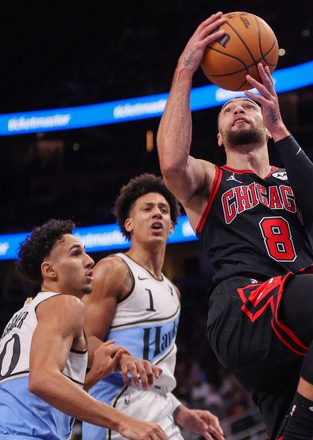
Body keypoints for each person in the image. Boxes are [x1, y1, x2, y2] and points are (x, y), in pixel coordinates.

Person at [156, 12, 313, 440]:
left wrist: (280, 126)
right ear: (219, 137)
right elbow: (171, 163)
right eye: (228, 109)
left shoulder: (296, 175)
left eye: (248, 105)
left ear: (266, 121)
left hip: (292, 322)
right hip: (244, 305)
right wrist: (185, 69)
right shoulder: (210, 178)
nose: (239, 108)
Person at [0, 219, 167, 440]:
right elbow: (42, 380)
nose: (90, 261)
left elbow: (42, 399)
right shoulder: (64, 303)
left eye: (85, 253)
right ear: (49, 270)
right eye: (76, 254)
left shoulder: (24, 313)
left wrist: (94, 375)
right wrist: (125, 422)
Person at [82, 174, 224, 440]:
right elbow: (82, 341)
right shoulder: (113, 270)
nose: (156, 214)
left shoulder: (173, 292)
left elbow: (158, 372)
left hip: (160, 414)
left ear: (172, 226)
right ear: (129, 224)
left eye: (163, 210)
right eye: (146, 209)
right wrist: (121, 358)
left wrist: (181, 411)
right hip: (116, 414)